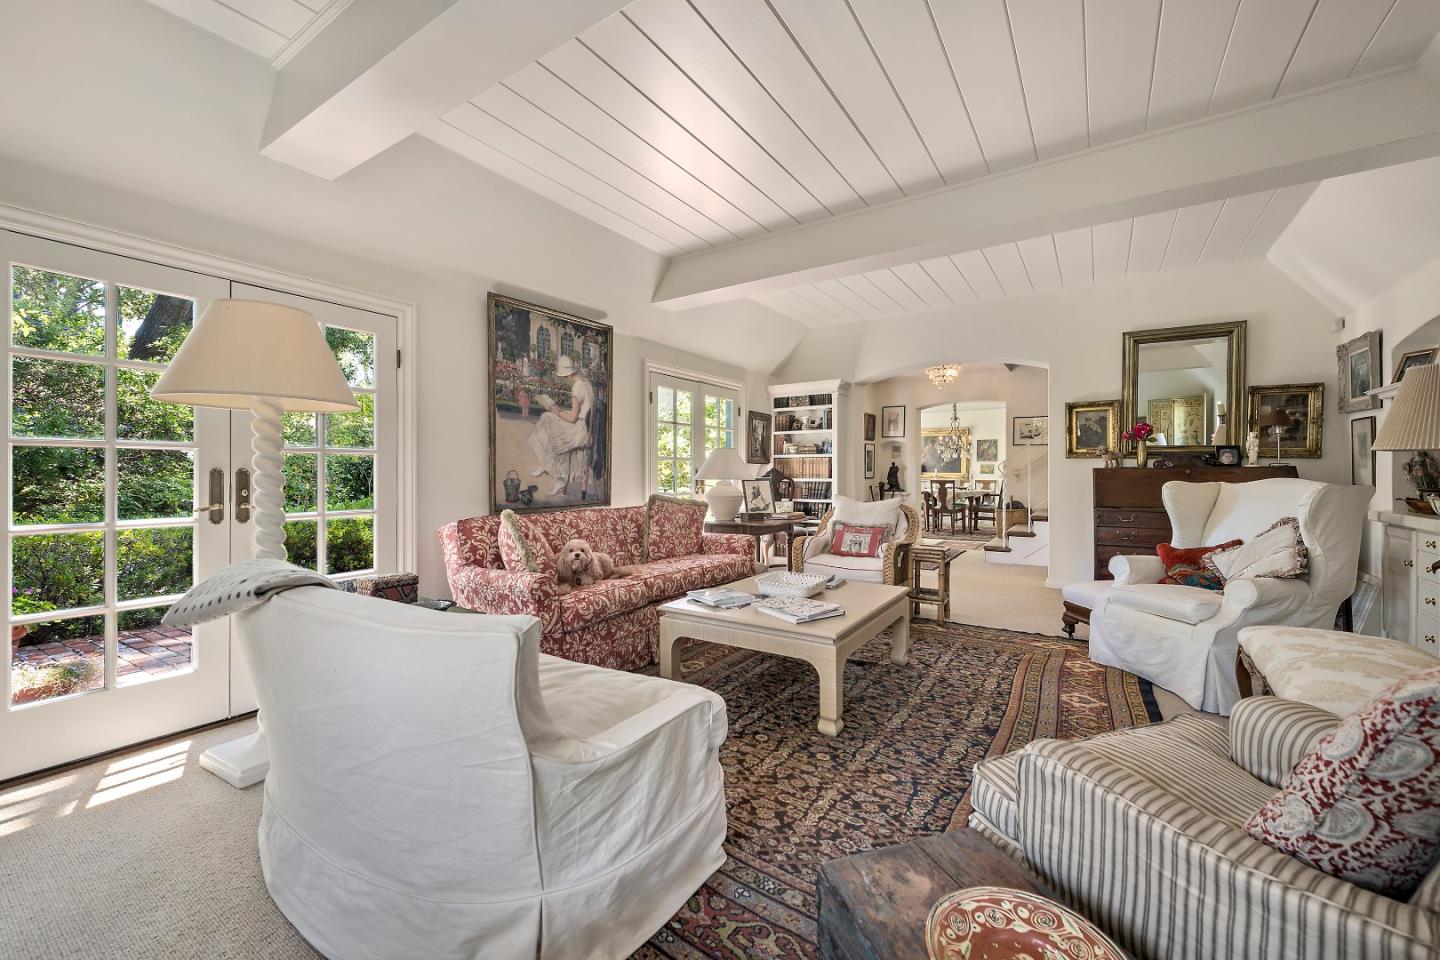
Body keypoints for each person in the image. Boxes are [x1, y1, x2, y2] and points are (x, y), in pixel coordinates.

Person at [529, 354, 593, 497]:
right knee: (551, 422)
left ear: (569, 375)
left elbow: (572, 418)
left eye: (564, 378)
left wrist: (556, 411)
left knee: (548, 419)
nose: (565, 381)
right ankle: (550, 469)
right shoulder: (586, 383)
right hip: (586, 428)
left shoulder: (577, 387)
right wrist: (559, 411)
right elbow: (581, 413)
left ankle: (552, 471)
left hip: (580, 432)